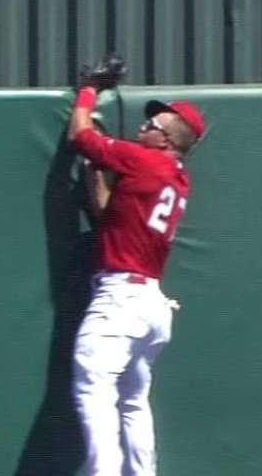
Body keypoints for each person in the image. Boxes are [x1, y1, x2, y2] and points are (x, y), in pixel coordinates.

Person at [67, 78, 206, 475]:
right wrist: (99, 167)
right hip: (150, 307)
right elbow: (107, 212)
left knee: (94, 389)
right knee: (132, 400)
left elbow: (81, 135)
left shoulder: (145, 160)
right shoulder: (176, 178)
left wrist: (89, 90)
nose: (142, 129)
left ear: (166, 140)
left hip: (120, 301)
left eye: (151, 127)